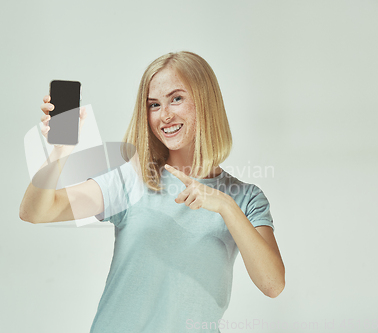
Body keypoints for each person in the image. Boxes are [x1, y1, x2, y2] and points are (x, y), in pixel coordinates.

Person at [19, 51, 285, 333]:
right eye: (154, 105)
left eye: (177, 99)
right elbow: (35, 212)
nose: (165, 115)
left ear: (205, 101)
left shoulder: (245, 198)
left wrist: (225, 206)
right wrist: (59, 152)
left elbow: (272, 285)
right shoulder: (132, 180)